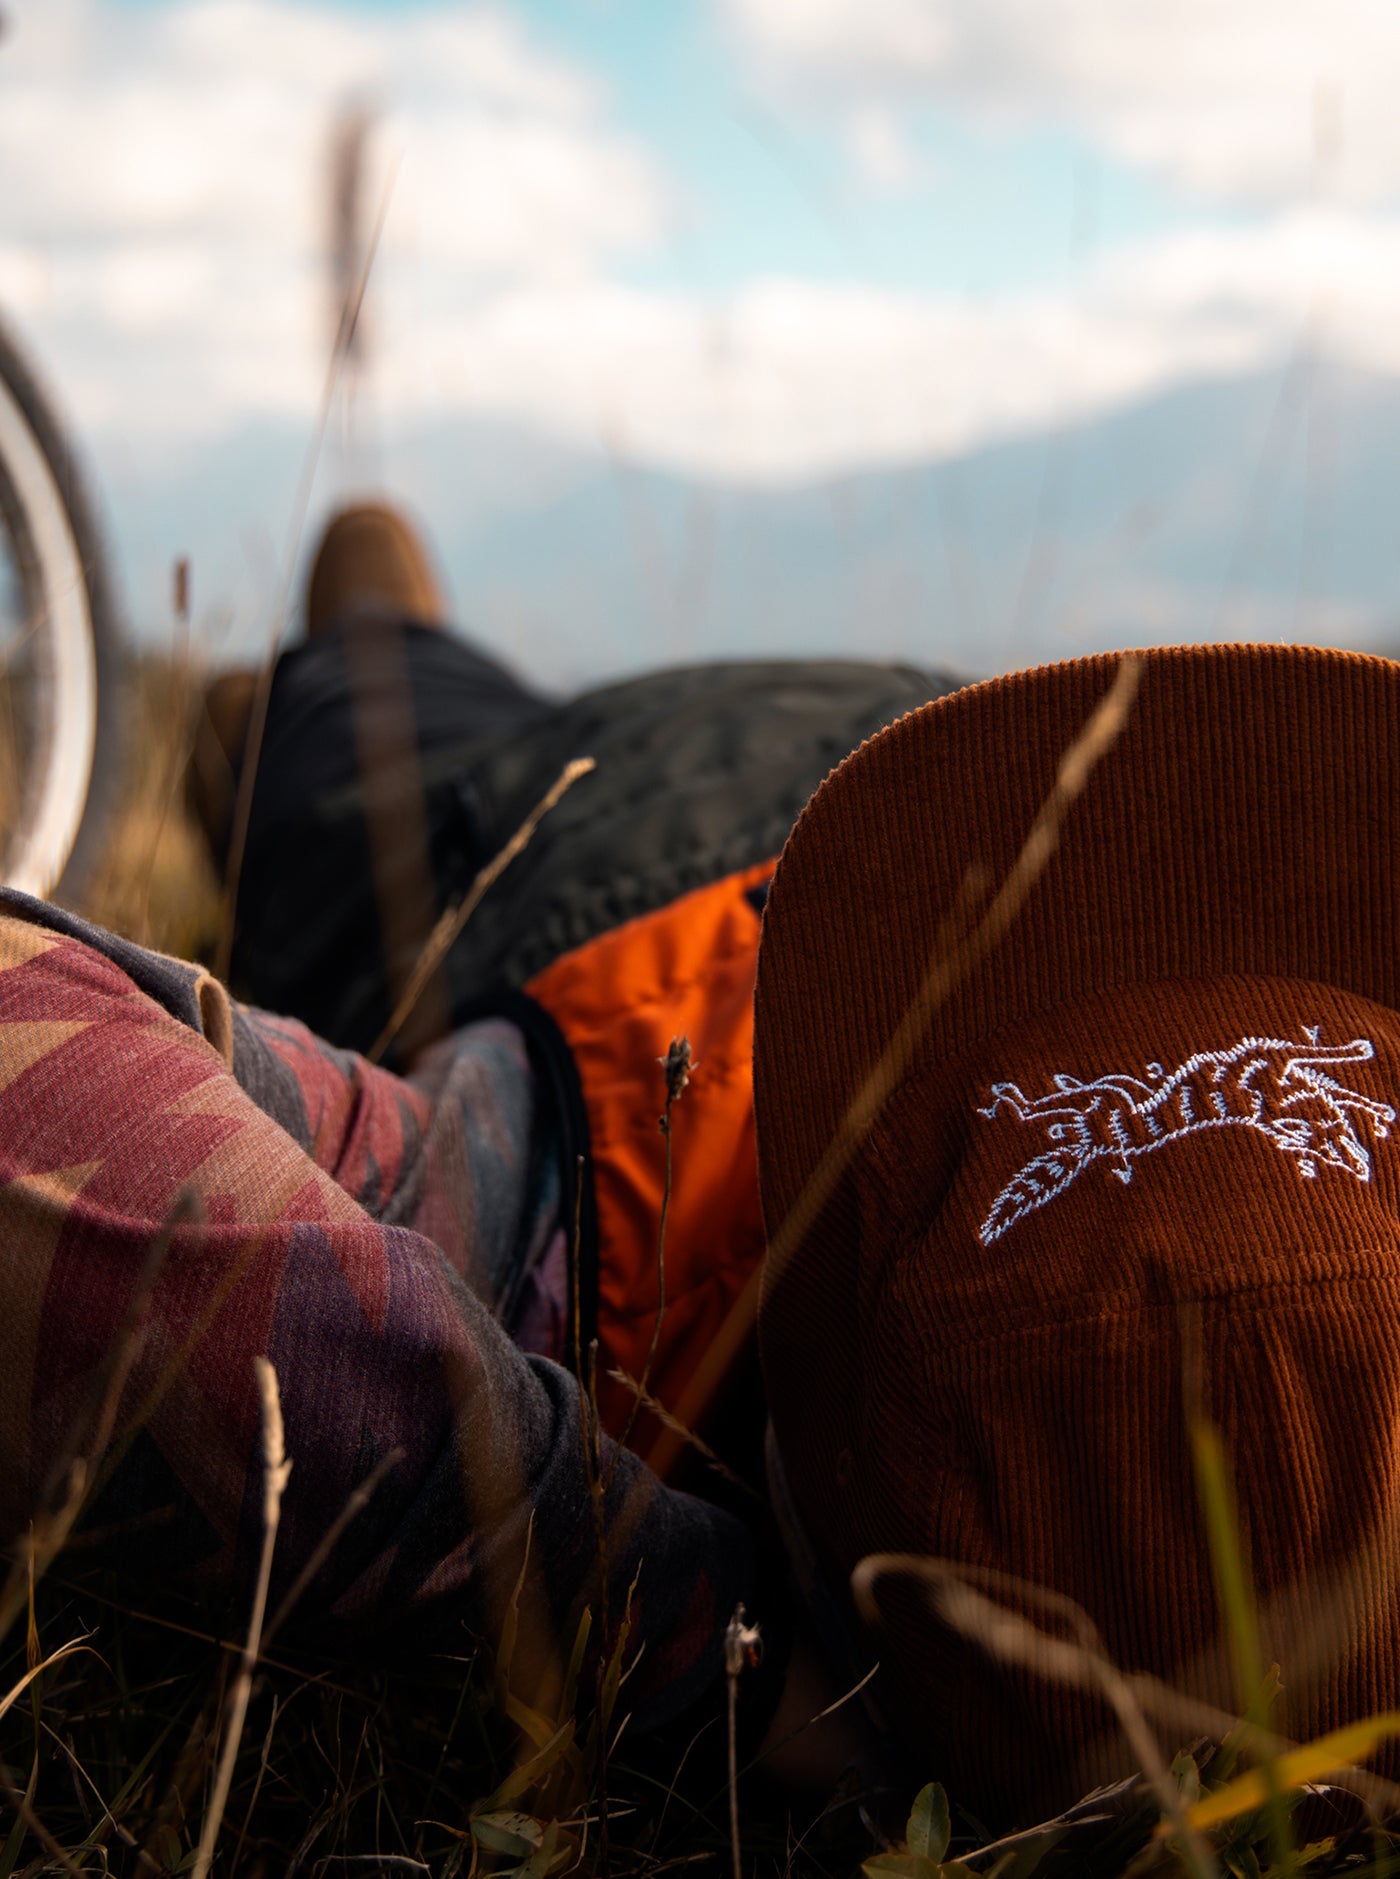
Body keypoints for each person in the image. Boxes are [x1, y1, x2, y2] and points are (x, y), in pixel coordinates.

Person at [10, 500, 1400, 1831]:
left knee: (350, 724)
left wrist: (654, 1610)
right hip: (968, 758)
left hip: (622, 834)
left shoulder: (568, 1241)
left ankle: (305, 692)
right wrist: (682, 1641)